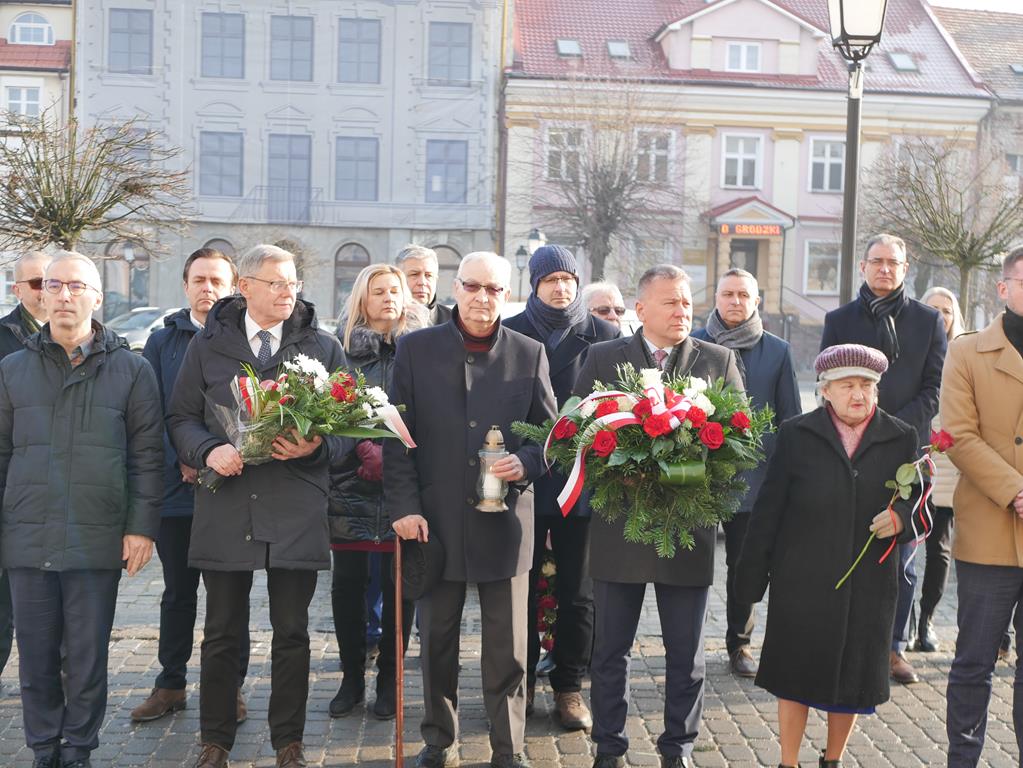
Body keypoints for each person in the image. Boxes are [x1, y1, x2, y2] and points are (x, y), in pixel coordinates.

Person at [168, 244, 349, 768]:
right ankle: (215, 740)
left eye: (293, 282)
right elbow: (180, 418)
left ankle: (288, 741)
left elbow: (350, 430)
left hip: (296, 505)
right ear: (244, 287)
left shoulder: (323, 346)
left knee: (292, 632)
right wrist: (208, 450)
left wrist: (317, 447)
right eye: (276, 283)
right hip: (226, 503)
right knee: (223, 631)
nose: (288, 292)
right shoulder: (208, 347)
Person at [385, 252, 557, 768]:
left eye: (495, 289)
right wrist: (403, 507)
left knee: (509, 649)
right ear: (455, 288)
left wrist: (524, 463)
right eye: (474, 286)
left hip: (505, 523)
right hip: (433, 523)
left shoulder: (530, 352)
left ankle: (510, 748)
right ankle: (439, 740)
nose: (483, 298)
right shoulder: (415, 349)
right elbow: (396, 439)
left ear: (509, 294)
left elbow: (550, 435)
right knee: (436, 640)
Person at [573, 264, 744, 768]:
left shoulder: (718, 360)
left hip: (686, 529)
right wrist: (619, 472)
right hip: (620, 525)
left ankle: (678, 749)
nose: (682, 310)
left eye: (688, 302)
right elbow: (578, 437)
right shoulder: (602, 358)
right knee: (610, 653)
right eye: (670, 302)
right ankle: (609, 747)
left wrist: (686, 474)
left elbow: (737, 446)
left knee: (686, 654)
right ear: (641, 309)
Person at [0, 251, 163, 768]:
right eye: (54, 286)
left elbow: (147, 457)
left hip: (96, 538)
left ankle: (78, 749)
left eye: (76, 286)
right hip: (26, 537)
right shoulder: (11, 370)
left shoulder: (133, 371)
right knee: (36, 661)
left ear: (97, 297)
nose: (64, 296)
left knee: (87, 658)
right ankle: (44, 747)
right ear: (41, 295)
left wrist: (141, 528)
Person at [735, 344, 919, 768]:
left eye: (868, 385)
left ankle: (832, 759)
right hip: (803, 580)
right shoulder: (798, 434)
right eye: (848, 385)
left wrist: (900, 518)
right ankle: (788, 761)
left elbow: (917, 501)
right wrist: (750, 577)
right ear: (825, 390)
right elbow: (769, 508)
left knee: (853, 679)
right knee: (794, 675)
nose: (859, 394)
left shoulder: (900, 437)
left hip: (868, 583)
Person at [820, 233, 946, 685]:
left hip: (908, 454)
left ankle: (892, 648)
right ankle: (845, 639)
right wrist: (862, 428)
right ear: (862, 265)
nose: (885, 270)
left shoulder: (928, 321)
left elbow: (934, 388)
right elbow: (828, 383)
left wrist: (895, 431)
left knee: (903, 558)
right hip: (850, 449)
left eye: (893, 263)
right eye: (877, 261)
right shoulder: (840, 320)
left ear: (905, 268)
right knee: (847, 547)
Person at [132, 248, 250, 724]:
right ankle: (171, 683)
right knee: (178, 593)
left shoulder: (248, 339)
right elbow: (153, 410)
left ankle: (231, 689)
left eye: (216, 280)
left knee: (230, 597)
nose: (207, 289)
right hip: (178, 493)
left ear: (233, 286)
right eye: (199, 280)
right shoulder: (163, 342)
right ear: (185, 287)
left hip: (232, 488)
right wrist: (185, 456)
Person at [503, 245, 619, 730]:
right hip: (526, 477)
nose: (560, 287)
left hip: (581, 481)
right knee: (521, 588)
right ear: (534, 285)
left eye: (567, 279)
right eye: (549, 279)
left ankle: (569, 687)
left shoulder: (604, 335)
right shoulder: (511, 331)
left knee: (577, 591)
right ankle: (522, 684)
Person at [692, 268, 801, 678]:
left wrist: (790, 478)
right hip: (700, 475)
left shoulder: (778, 351)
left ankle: (740, 643)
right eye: (727, 294)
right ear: (716, 298)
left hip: (755, 479)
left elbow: (791, 416)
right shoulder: (695, 345)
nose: (735, 301)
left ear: (757, 301)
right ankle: (689, 641)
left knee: (745, 564)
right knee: (694, 561)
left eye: (743, 295)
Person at [328, 264, 424, 719]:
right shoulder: (341, 351)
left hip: (404, 489)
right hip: (350, 487)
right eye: (378, 292)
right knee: (348, 585)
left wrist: (399, 453)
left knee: (399, 588)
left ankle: (390, 681)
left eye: (395, 290)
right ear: (362, 301)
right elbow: (328, 412)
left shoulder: (422, 350)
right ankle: (351, 679)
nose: (388, 298)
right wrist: (361, 446)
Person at [941, 245, 1023, 766]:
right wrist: (1015, 490)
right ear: (1004, 288)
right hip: (989, 530)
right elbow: (957, 434)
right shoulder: (967, 352)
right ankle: (962, 759)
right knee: (973, 663)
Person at [0, 249, 51, 686]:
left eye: (52, 281)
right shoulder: (3, 338)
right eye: (36, 283)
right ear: (17, 290)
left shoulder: (91, 339)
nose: (47, 291)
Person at [914, 287, 965, 653]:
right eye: (934, 308)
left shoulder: (963, 353)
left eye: (947, 310)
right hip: (912, 456)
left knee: (939, 549)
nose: (941, 315)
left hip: (947, 463)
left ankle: (926, 620)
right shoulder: (910, 347)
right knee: (901, 549)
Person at [397, 244, 451, 325]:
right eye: (414, 274)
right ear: (398, 279)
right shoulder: (385, 320)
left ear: (436, 280)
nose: (422, 282)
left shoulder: (454, 321)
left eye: (428, 275)